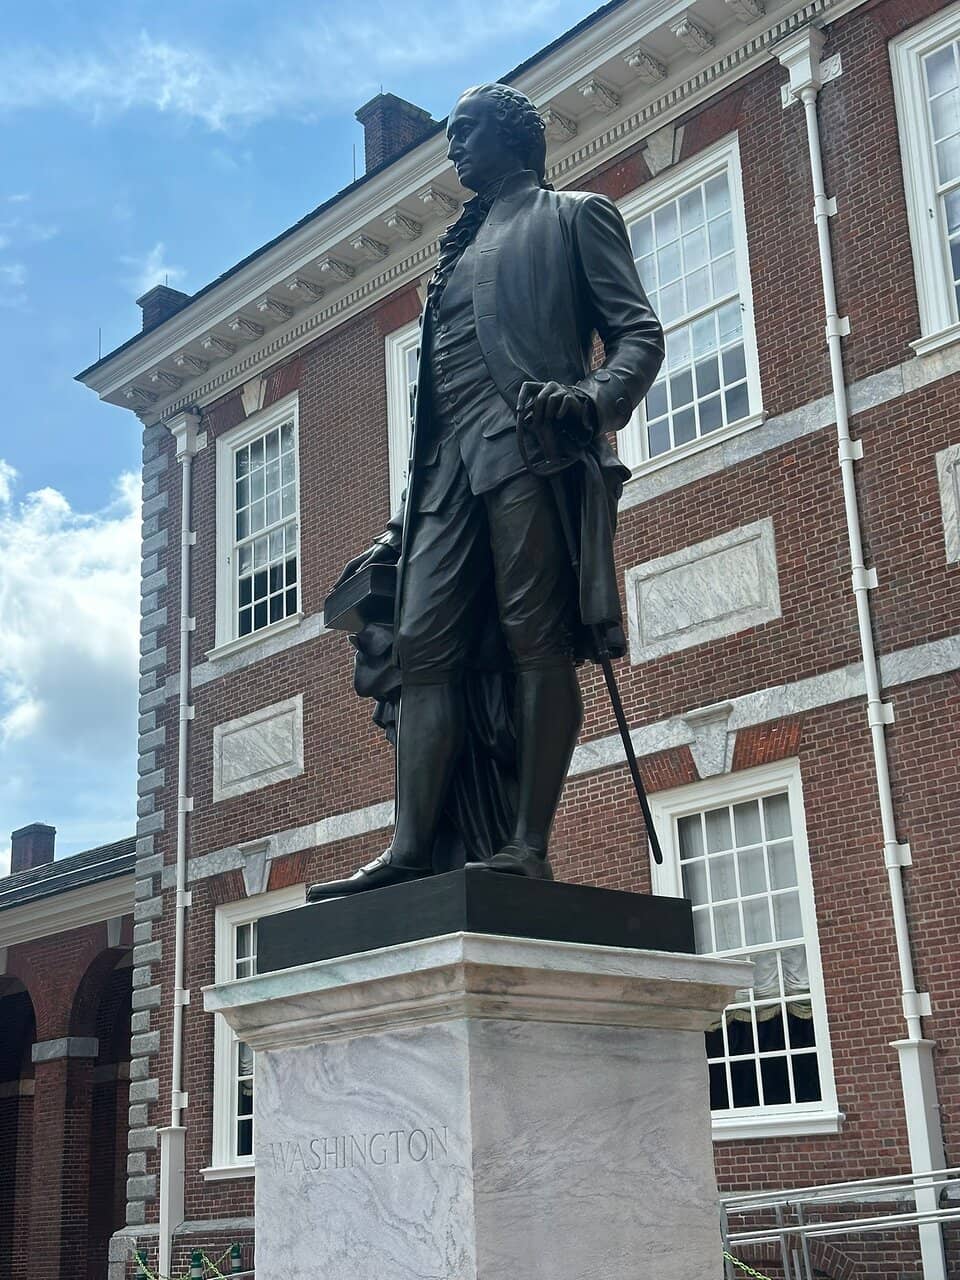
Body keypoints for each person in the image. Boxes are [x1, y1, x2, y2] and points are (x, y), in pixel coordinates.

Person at [308, 82, 663, 898]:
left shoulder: (575, 215)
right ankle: (412, 846)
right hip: (443, 479)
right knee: (423, 649)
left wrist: (592, 400)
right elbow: (437, 401)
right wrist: (405, 516)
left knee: (536, 640)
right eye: (451, 136)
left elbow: (638, 335)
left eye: (467, 133)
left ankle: (525, 848)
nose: (454, 148)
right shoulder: (455, 255)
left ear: (515, 136)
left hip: (529, 450)